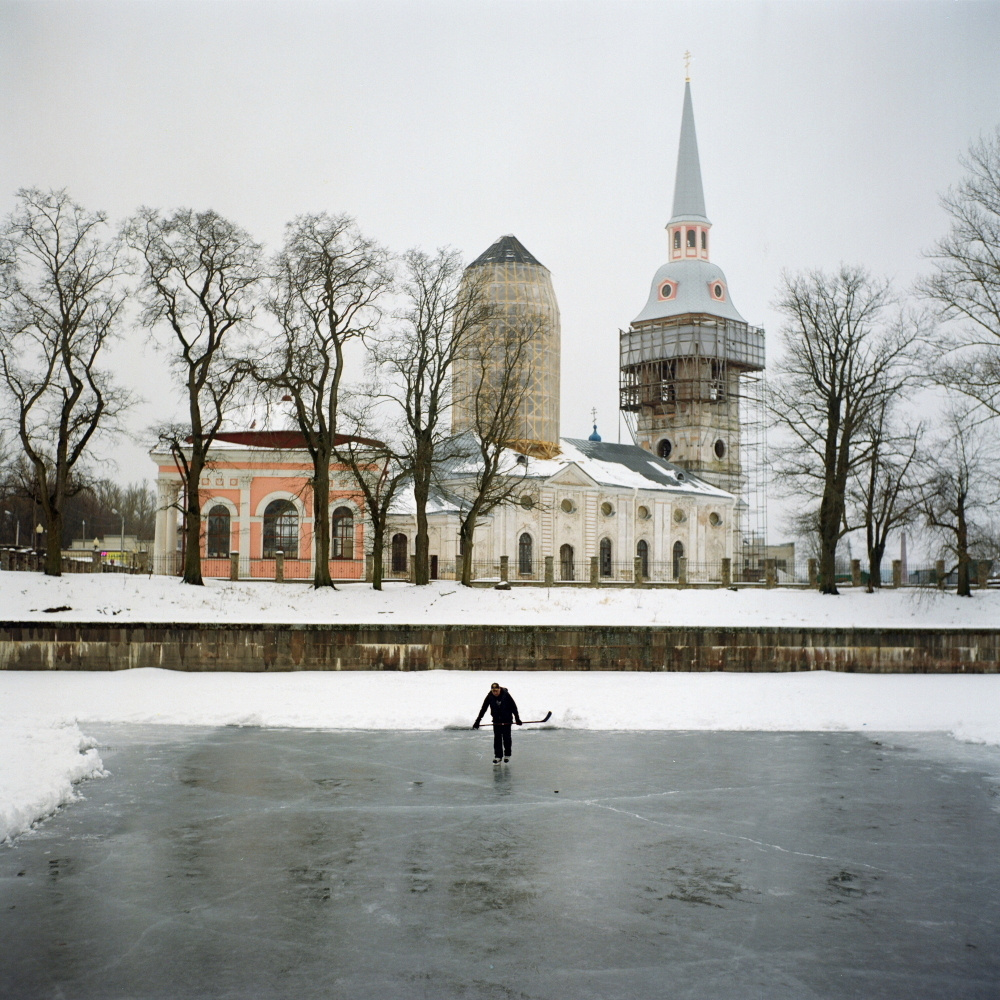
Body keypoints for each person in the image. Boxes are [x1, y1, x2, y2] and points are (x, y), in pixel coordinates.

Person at [473, 682, 522, 764]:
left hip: (507, 719)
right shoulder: (490, 696)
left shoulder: (506, 695)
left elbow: (513, 706)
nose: (495, 693)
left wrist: (517, 718)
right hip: (496, 720)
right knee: (497, 739)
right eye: (493, 691)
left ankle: (507, 755)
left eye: (496, 691)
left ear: (499, 689)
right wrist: (477, 721)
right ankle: (498, 756)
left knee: (506, 738)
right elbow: (483, 709)